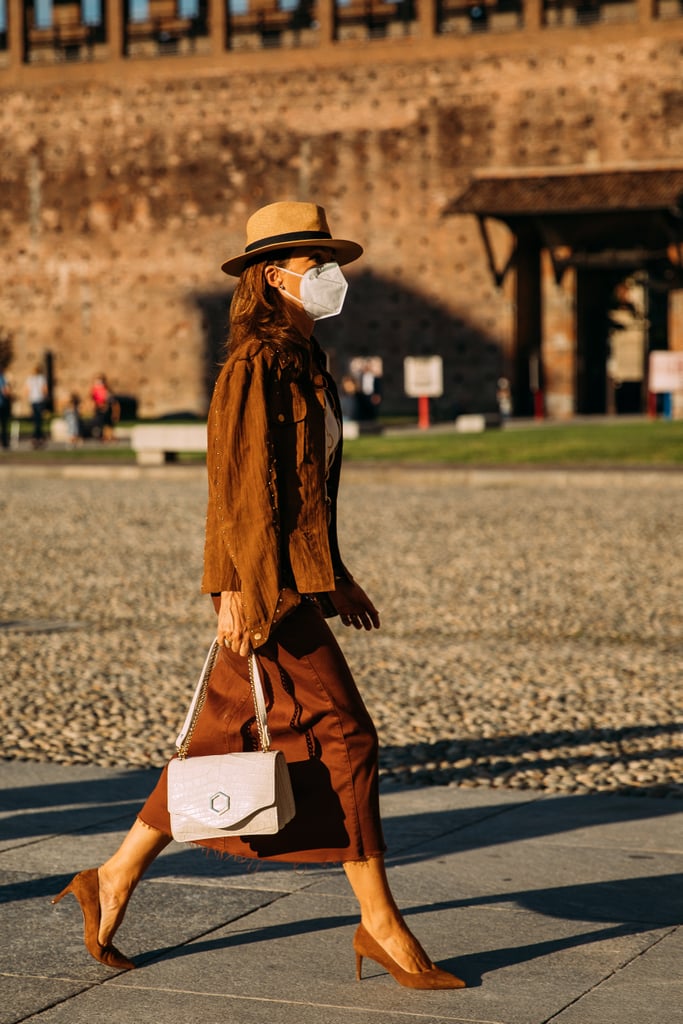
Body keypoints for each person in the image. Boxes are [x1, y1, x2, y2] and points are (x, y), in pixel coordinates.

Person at [52, 202, 465, 990]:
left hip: (292, 581)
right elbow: (237, 487)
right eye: (317, 267)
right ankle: (379, 924)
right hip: (262, 588)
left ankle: (111, 878)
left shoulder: (309, 361)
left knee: (220, 734)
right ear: (275, 278)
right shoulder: (256, 364)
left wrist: (334, 575)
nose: (331, 279)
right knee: (347, 737)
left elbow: (307, 490)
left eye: (329, 263)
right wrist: (236, 588)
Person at [25, 365, 48, 447]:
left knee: (35, 419)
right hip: (39, 400)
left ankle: (37, 436)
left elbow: (27, 391)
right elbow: (44, 390)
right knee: (39, 420)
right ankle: (38, 436)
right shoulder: (41, 378)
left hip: (33, 400)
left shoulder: (30, 379)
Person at [0, 367, 11, 450]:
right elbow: (5, 391)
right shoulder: (2, 378)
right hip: (1, 404)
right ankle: (4, 443)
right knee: (4, 424)